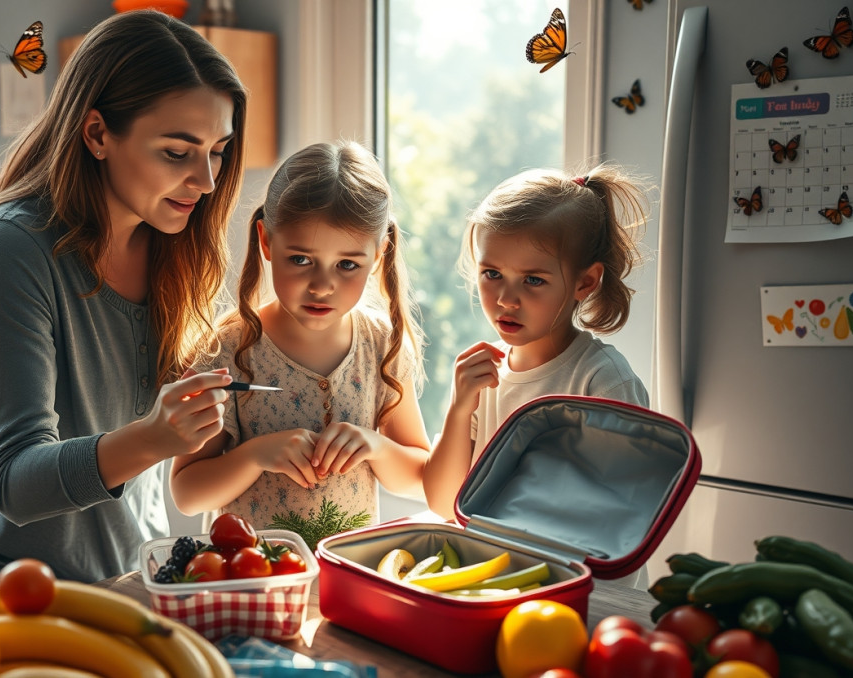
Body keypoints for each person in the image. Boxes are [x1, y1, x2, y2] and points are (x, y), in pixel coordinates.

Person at [0, 10, 248, 593]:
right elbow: (13, 481)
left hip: (115, 576)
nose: (205, 181)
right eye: (177, 153)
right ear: (98, 133)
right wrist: (153, 437)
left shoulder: (175, 252)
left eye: (218, 151)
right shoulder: (11, 249)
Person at [169, 140, 431, 532]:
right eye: (301, 260)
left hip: (344, 580)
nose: (322, 285)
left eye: (347, 264)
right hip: (251, 581)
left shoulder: (382, 345)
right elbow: (187, 494)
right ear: (266, 242)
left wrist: (375, 447)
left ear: (378, 256)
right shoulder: (225, 348)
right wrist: (254, 455)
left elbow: (417, 476)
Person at [423, 164, 650, 523]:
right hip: (501, 571)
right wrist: (459, 409)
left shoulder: (601, 380)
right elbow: (443, 502)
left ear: (585, 282)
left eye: (532, 279)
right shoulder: (482, 374)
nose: (506, 300)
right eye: (492, 274)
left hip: (580, 578)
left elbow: (623, 514)